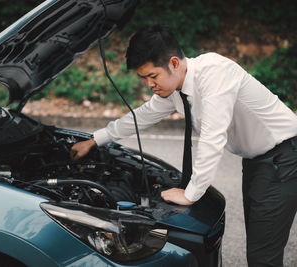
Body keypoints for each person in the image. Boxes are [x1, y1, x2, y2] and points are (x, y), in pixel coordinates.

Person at [70, 24, 297, 266]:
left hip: (284, 157)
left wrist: (191, 193)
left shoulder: (215, 74)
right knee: (259, 246)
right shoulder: (176, 90)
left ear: (175, 63)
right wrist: (95, 140)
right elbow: (141, 116)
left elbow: (212, 136)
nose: (149, 84)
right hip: (257, 162)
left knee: (263, 257)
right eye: (143, 78)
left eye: (153, 76)